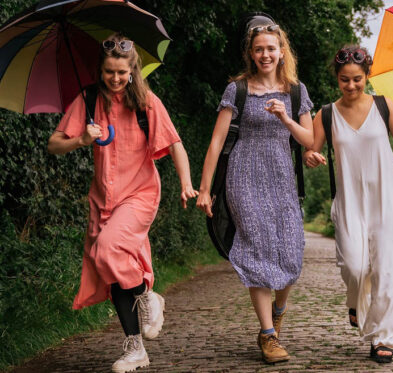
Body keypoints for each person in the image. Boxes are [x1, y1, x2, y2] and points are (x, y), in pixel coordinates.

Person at [47, 33, 198, 373]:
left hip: (140, 194)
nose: (115, 79)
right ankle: (135, 349)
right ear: (100, 70)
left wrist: (187, 184)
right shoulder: (87, 101)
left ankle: (148, 296)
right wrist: (81, 140)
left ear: (133, 70)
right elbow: (54, 144)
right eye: (109, 72)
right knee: (112, 273)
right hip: (104, 200)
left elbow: (175, 144)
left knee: (106, 251)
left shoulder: (147, 102)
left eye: (122, 72)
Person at [303, 45, 393, 363]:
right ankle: (356, 304)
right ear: (337, 78)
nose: (351, 86)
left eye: (357, 79)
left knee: (388, 270)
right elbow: (311, 150)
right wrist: (311, 157)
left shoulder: (383, 106)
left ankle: (383, 338)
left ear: (367, 76)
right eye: (344, 80)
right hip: (351, 201)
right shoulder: (325, 114)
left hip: (388, 197)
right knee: (355, 267)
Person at [195, 14, 313, 364]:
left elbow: (309, 139)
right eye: (259, 49)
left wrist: (285, 118)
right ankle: (267, 335)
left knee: (292, 250)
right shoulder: (238, 89)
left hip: (281, 177)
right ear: (250, 52)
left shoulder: (296, 91)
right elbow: (216, 143)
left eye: (271, 49)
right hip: (244, 176)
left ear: (281, 51)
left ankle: (279, 310)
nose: (265, 55)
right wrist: (205, 189)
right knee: (258, 249)